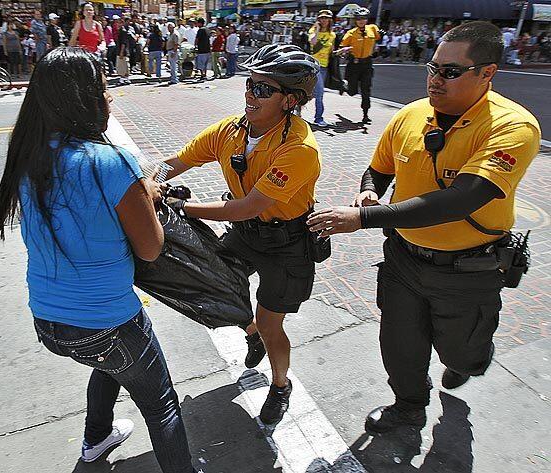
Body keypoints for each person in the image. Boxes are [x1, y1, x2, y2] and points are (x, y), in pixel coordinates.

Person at [307, 21, 541, 433]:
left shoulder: (512, 126)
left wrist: (362, 218)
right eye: (432, 68)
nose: (435, 79)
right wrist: (368, 192)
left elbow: (462, 199)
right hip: (403, 261)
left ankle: (465, 361)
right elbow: (377, 170)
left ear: (487, 73)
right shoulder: (411, 114)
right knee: (400, 346)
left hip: (468, 270)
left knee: (463, 354)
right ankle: (409, 406)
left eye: (450, 71)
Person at [0, 47, 198, 473]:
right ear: (84, 99)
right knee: (161, 404)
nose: (109, 99)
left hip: (49, 322)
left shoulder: (29, 155)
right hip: (108, 322)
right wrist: (147, 196)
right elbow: (151, 248)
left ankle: (95, 440)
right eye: (104, 90)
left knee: (112, 363)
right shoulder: (112, 162)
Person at [158, 44, 321, 425]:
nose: (251, 94)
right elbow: (173, 164)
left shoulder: (299, 148)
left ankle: (280, 385)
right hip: (246, 235)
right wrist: (144, 183)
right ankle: (250, 332)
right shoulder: (229, 131)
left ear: (290, 100)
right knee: (211, 284)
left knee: (271, 324)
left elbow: (246, 206)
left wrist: (179, 207)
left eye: (264, 89)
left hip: (287, 245)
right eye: (250, 84)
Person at [336, 7, 381, 124]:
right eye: (359, 19)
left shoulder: (373, 28)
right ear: (355, 20)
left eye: (364, 18)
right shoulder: (350, 33)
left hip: (367, 64)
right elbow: (341, 47)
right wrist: (344, 50)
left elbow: (378, 37)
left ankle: (365, 114)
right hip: (354, 64)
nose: (361, 21)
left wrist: (382, 34)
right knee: (352, 92)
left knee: (366, 90)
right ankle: (343, 86)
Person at [309, 10, 336, 128]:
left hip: (325, 66)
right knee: (320, 93)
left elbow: (332, 51)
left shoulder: (332, 35)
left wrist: (342, 52)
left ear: (330, 20)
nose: (324, 20)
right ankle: (318, 118)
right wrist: (317, 29)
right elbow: (313, 42)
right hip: (314, 66)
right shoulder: (313, 31)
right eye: (322, 18)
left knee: (314, 93)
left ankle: (298, 106)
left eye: (326, 18)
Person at [116, 17, 130, 85]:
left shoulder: (123, 31)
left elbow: (123, 43)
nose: (118, 24)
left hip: (122, 51)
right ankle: (126, 79)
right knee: (125, 65)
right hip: (122, 51)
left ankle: (122, 79)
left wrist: (121, 52)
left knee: (121, 66)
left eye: (119, 23)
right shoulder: (121, 31)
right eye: (117, 23)